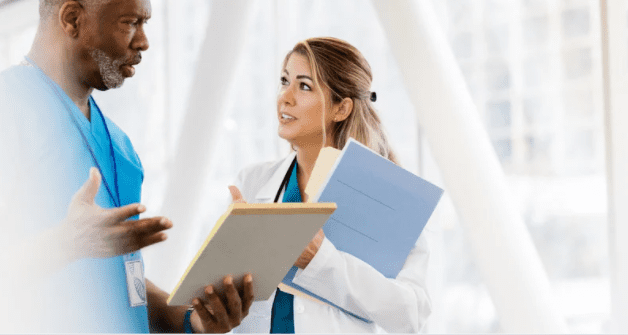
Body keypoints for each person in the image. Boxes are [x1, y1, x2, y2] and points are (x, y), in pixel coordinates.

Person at [0, 0, 253, 332]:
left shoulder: (121, 147)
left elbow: (123, 283)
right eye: (131, 22)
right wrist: (65, 245)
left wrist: (192, 320)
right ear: (72, 19)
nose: (144, 42)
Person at [227, 37, 432, 333]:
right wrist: (228, 252)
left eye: (304, 86)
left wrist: (321, 261)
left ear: (341, 108)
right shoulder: (253, 182)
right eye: (284, 81)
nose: (285, 97)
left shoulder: (387, 195)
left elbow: (411, 315)